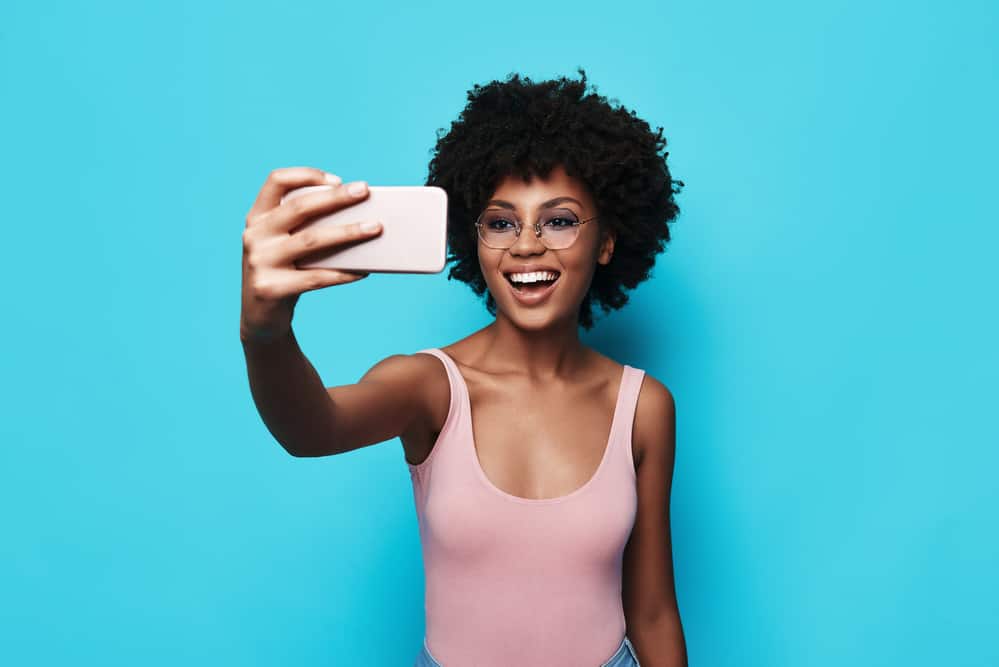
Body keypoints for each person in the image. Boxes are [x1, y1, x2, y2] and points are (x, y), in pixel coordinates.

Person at [240, 70, 687, 667]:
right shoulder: (431, 387)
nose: (526, 245)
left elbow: (653, 611)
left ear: (606, 241)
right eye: (501, 222)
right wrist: (265, 332)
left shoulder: (643, 407)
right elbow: (311, 429)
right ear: (473, 239)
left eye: (558, 220)